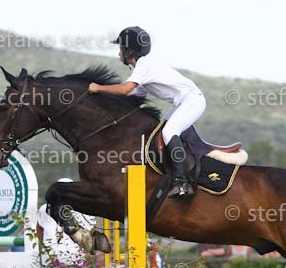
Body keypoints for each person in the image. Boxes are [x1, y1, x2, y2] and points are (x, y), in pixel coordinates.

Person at [88, 26, 206, 198]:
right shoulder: (143, 69)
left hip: (193, 101)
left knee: (168, 132)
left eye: (121, 49)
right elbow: (135, 98)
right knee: (160, 130)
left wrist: (98, 88)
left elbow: (124, 90)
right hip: (183, 103)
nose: (119, 54)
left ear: (130, 51)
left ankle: (182, 183)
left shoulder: (144, 66)